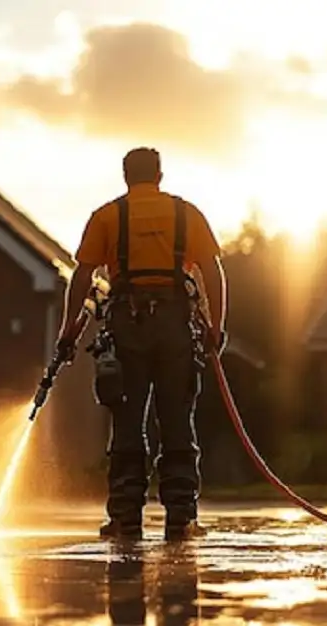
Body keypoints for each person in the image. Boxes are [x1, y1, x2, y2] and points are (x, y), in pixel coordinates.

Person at [56, 146, 228, 541]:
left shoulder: (107, 216)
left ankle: (125, 519)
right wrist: (216, 326)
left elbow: (82, 276)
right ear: (160, 176)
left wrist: (69, 332)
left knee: (127, 423)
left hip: (126, 326)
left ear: (125, 176)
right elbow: (213, 272)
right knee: (177, 421)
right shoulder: (187, 214)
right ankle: (181, 518)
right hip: (175, 328)